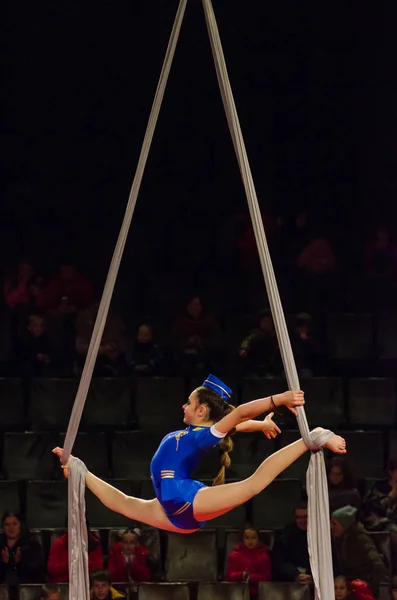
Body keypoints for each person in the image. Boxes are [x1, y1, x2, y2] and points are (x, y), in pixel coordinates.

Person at [54, 374, 346, 534]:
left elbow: (238, 414)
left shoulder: (203, 436)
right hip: (171, 507)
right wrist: (259, 425)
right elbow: (236, 424)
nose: (183, 406)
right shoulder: (195, 434)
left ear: (201, 410)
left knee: (252, 485)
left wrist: (277, 400)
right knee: (123, 504)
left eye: (188, 403)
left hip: (184, 501)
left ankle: (314, 437)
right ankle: (81, 469)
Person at [331, 505, 388, 597]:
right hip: (348, 586)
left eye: (334, 524)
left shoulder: (361, 540)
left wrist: (370, 589)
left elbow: (378, 564)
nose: (331, 527)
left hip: (360, 589)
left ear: (344, 525)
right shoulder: (339, 539)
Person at [226, 525, 272, 598]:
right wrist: (240, 575)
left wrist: (251, 577)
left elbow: (266, 577)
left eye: (253, 538)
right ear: (242, 539)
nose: (250, 541)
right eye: (247, 538)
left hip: (257, 595)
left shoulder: (264, 557)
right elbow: (229, 576)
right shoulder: (234, 556)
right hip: (238, 594)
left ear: (258, 539)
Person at [0, 511, 45, 585]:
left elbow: (38, 573)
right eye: (7, 525)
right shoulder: (1, 545)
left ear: (21, 525)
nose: (11, 528)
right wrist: (4, 563)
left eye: (15, 524)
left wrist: (20, 563)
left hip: (26, 589)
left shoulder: (32, 545)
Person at [271, 502, 312, 583]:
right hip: (290, 581)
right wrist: (295, 574)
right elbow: (278, 561)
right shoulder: (285, 536)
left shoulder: (321, 535)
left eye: (305, 517)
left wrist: (311, 576)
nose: (302, 521)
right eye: (298, 517)